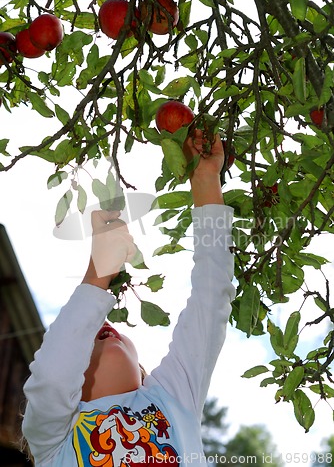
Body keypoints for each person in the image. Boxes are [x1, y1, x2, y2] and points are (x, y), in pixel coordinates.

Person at [22, 130, 236, 466]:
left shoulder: (168, 398)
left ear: (142, 371)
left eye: (88, 333)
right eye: (84, 348)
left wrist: (206, 179)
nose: (98, 327)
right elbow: (51, 377)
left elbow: (209, 300)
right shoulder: (52, 442)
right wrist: (96, 278)